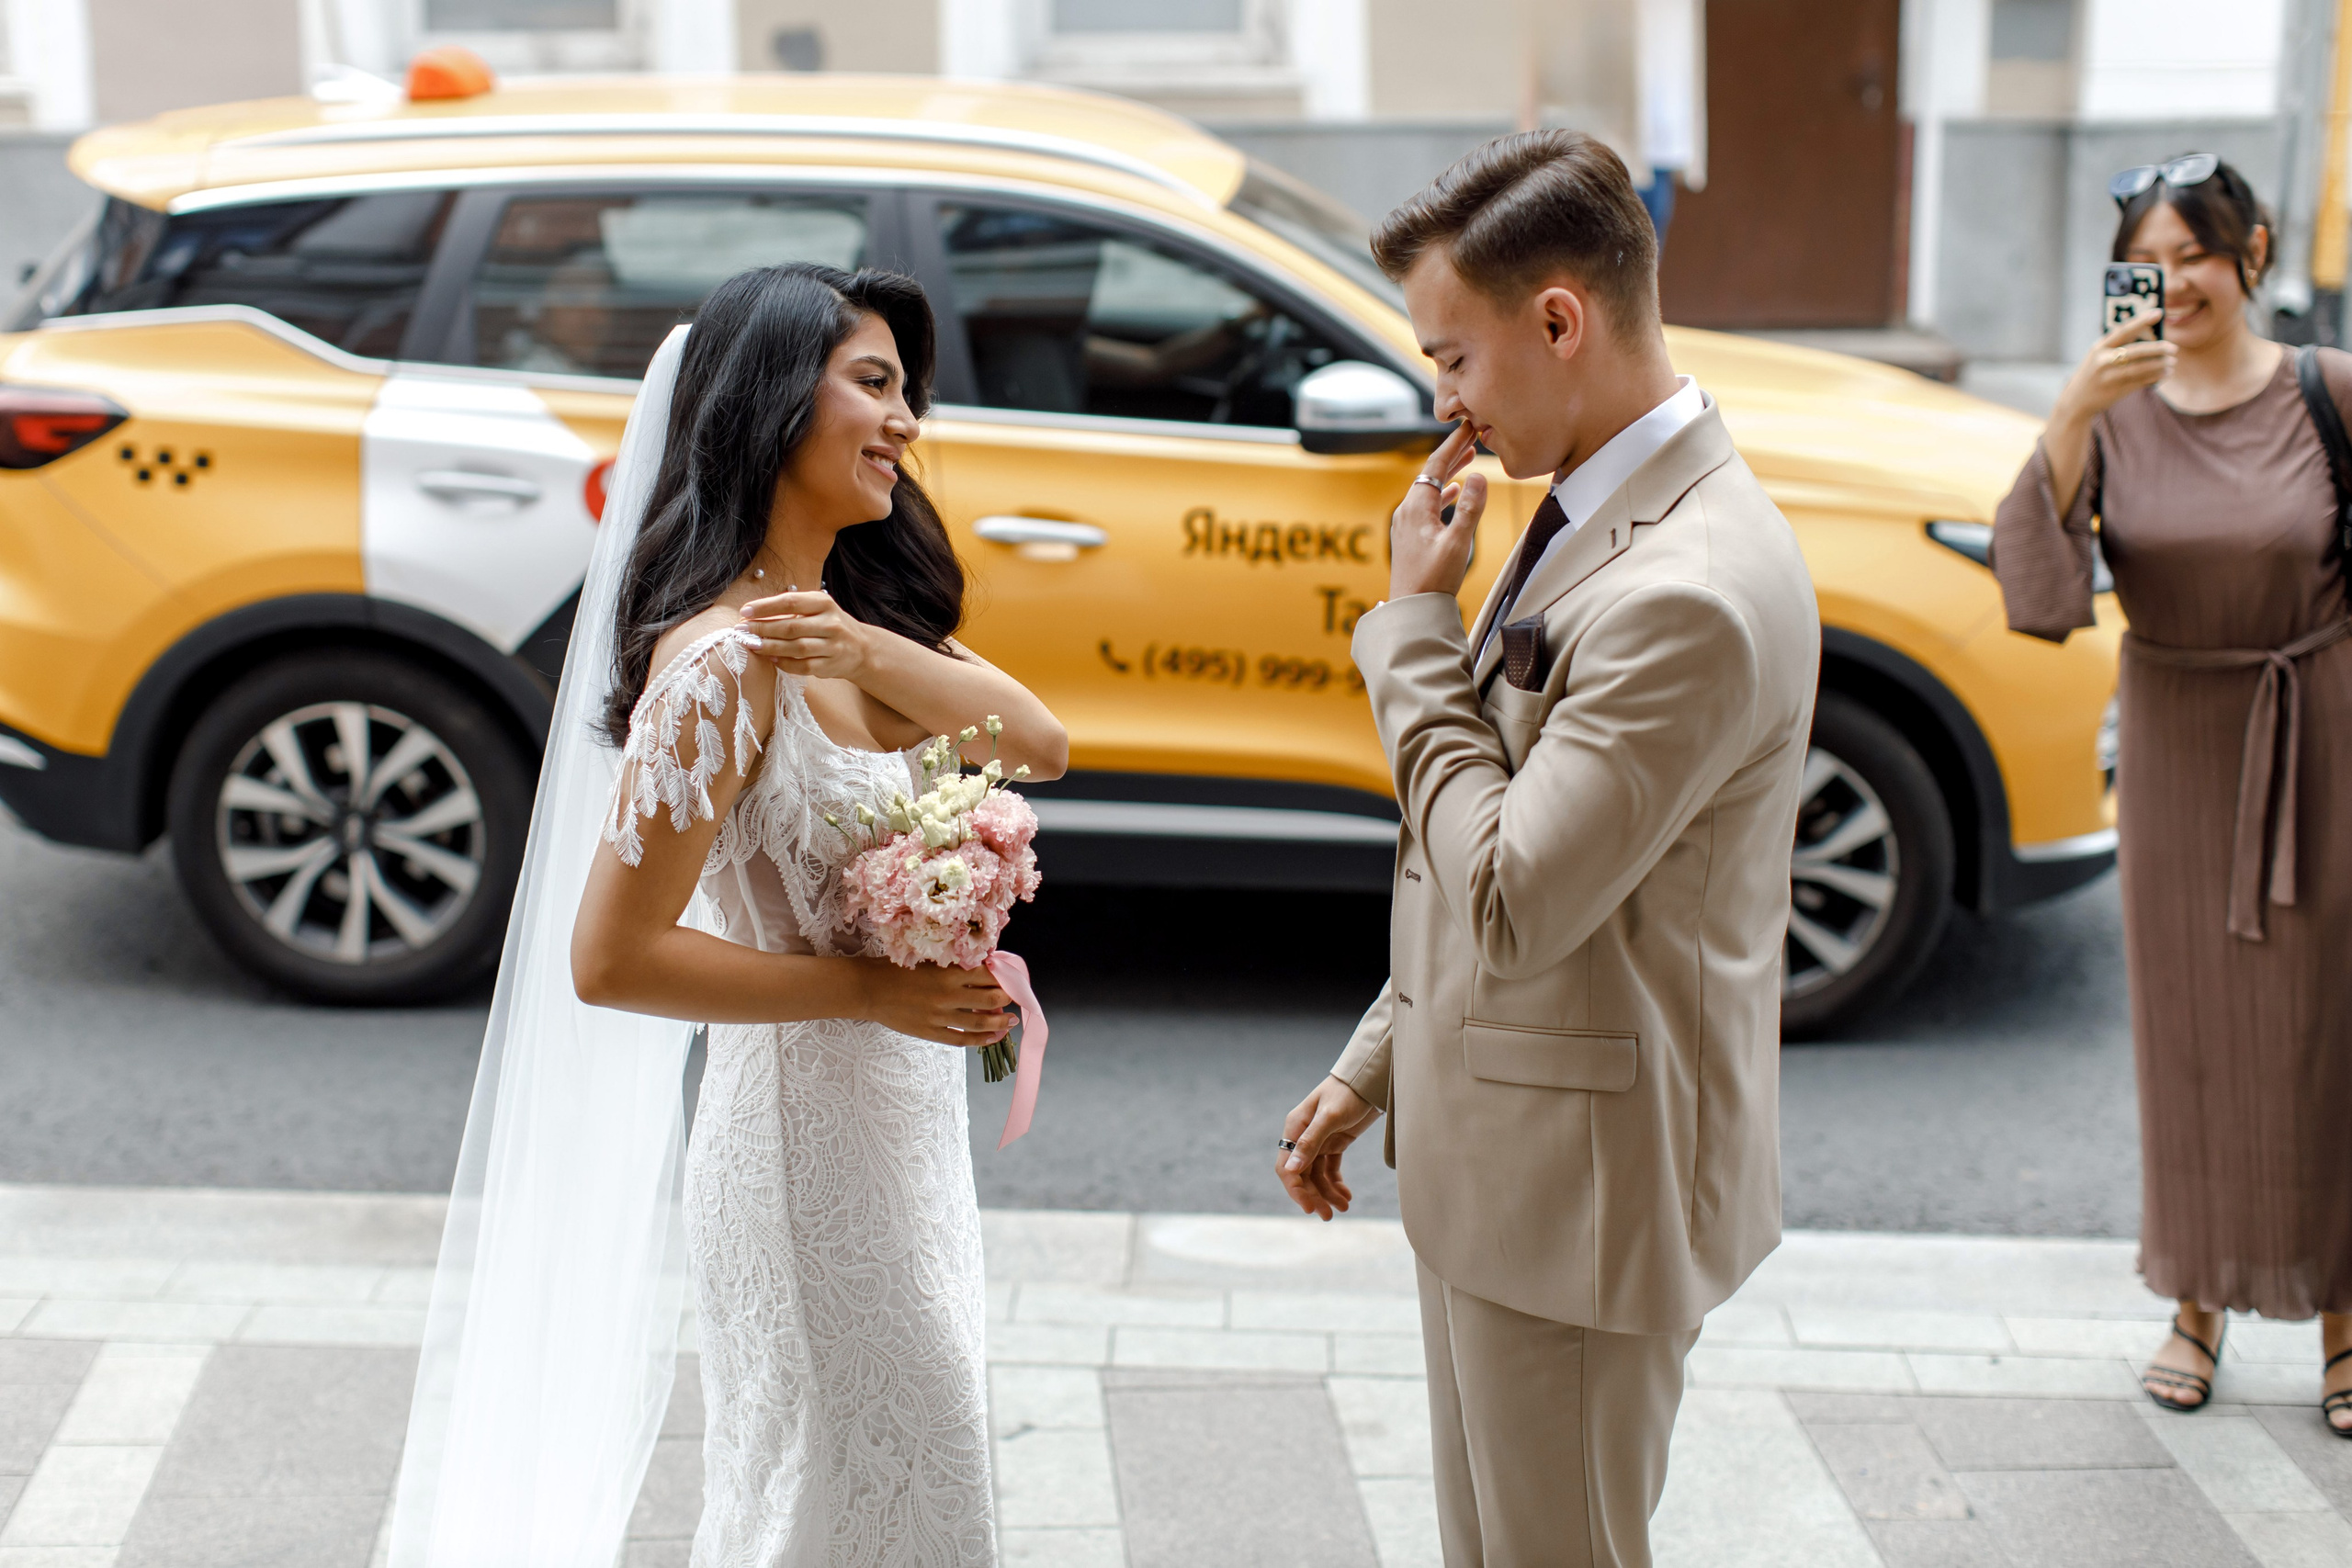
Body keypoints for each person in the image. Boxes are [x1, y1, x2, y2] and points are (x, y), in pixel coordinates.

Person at [386, 264, 1068, 1567]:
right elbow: (613, 956)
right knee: (843, 1488)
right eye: (873, 384)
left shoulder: (856, 628)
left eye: (907, 390)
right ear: (770, 405)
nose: (908, 420)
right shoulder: (714, 672)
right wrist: (871, 990)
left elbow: (1040, 742)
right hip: (803, 1150)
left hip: (905, 1137)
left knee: (909, 1482)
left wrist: (865, 645)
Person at [1276, 130, 1819, 1567]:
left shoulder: (1686, 587)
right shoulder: (1586, 505)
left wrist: (1406, 634)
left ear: (1561, 320)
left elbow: (1514, 892)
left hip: (1581, 1204)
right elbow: (1503, 843)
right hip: (1507, 1160)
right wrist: (1374, 1066)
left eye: (1453, 359)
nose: (1441, 403)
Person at [1992, 154, 2352, 1434]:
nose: (2175, 281)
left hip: (2323, 740)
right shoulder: (2114, 409)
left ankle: (2341, 1314)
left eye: (2197, 252)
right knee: (2191, 1043)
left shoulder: (2328, 396)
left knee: (2326, 1041)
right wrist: (2073, 414)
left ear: (2251, 256)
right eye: (2147, 259)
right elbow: (2039, 595)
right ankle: (2195, 1302)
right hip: (2177, 745)